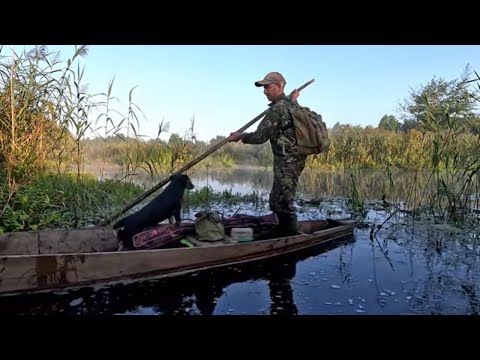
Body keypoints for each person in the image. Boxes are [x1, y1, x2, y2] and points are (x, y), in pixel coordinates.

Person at [228, 72, 306, 236]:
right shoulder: (290, 104)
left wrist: (239, 137)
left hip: (288, 162)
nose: (264, 91)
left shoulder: (278, 109)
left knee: (284, 201)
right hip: (292, 160)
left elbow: (259, 137)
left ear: (280, 87)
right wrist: (294, 97)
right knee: (276, 200)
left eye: (268, 87)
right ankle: (282, 230)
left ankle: (291, 237)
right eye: (264, 88)